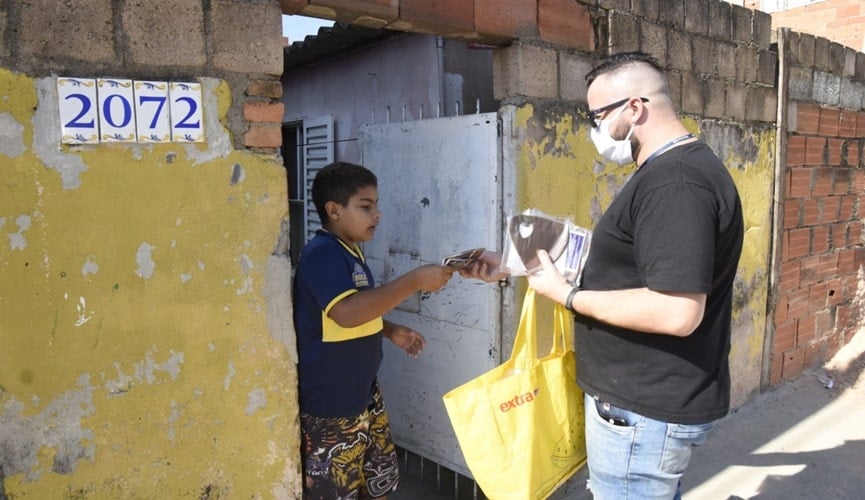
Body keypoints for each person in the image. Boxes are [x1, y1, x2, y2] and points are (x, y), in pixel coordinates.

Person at [462, 52, 744, 499]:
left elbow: (677, 311)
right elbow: (630, 262)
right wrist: (517, 261)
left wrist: (568, 295)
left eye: (597, 115)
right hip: (642, 404)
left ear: (635, 108)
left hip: (642, 409)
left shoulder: (677, 183)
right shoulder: (668, 174)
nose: (594, 129)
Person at [293, 161, 456, 499]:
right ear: (333, 210)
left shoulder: (349, 252)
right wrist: (413, 281)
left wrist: (388, 329)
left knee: (376, 482)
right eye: (366, 207)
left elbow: (356, 308)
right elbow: (347, 313)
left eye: (376, 205)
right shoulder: (322, 255)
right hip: (332, 406)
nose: (377, 214)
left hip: (363, 393)